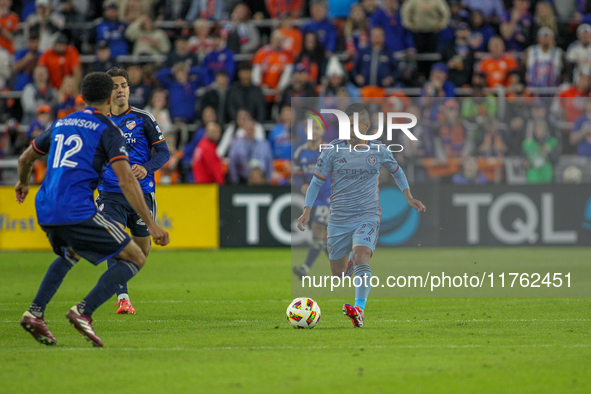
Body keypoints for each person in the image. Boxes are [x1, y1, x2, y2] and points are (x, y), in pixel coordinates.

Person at [16, 72, 169, 347]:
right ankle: (84, 311)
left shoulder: (63, 122)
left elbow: (26, 157)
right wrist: (153, 224)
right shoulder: (107, 129)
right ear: (109, 96)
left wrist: (22, 183)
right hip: (78, 208)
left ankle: (35, 313)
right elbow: (126, 180)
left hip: (45, 204)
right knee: (134, 257)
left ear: (82, 97)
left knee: (70, 253)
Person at [297, 103, 426, 328]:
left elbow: (397, 171)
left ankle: (359, 310)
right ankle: (346, 269)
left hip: (368, 214)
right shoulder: (332, 151)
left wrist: (408, 197)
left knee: (361, 257)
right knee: (338, 273)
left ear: (367, 126)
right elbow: (316, 182)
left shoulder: (379, 150)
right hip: (338, 218)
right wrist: (307, 210)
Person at [96, 67, 171, 314]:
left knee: (140, 252)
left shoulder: (143, 118)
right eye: (115, 86)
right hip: (110, 192)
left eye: (124, 85)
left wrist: (146, 167)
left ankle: (121, 284)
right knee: (115, 241)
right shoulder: (99, 122)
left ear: (129, 89)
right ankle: (123, 298)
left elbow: (163, 152)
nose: (120, 90)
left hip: (141, 194)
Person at [291, 120, 333, 278]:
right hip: (312, 200)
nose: (313, 131)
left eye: (317, 128)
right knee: (321, 237)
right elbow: (297, 175)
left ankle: (305, 268)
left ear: (322, 132)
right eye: (310, 128)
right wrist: (301, 185)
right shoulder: (300, 152)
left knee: (318, 230)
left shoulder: (329, 150)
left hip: (328, 197)